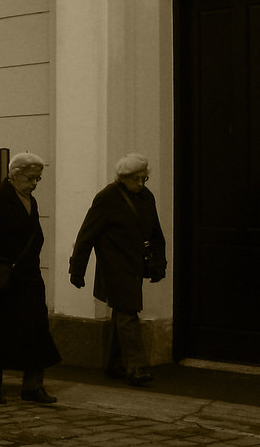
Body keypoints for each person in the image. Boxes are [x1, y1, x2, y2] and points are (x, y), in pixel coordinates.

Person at [0, 152, 61, 405]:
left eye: (38, 178)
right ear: (15, 175)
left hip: (27, 280)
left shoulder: (30, 201)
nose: (35, 183)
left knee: (36, 333)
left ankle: (33, 387)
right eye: (30, 177)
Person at [68, 153, 166, 386]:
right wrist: (77, 269)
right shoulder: (107, 198)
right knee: (127, 312)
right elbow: (86, 236)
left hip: (135, 265)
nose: (141, 183)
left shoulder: (146, 196)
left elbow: (156, 233)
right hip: (114, 267)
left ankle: (114, 364)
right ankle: (137, 367)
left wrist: (159, 264)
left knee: (122, 312)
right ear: (124, 178)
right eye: (136, 179)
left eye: (145, 178)